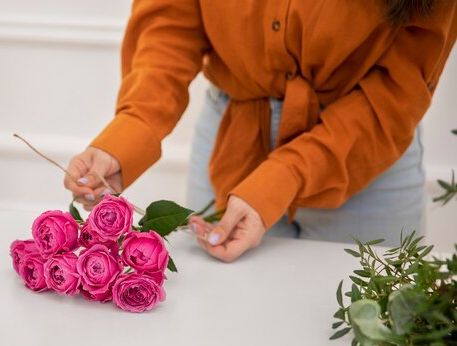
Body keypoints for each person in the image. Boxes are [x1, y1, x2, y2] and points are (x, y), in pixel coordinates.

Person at [64, 1, 457, 262]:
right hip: (231, 145)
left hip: (369, 159)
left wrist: (279, 180)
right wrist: (134, 126)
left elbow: (399, 86)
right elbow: (171, 20)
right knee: (219, 342)